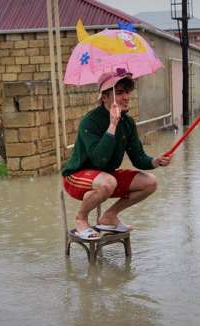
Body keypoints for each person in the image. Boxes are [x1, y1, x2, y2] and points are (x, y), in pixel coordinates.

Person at [62, 69, 171, 240]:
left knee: (150, 182)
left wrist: (155, 161)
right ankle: (81, 218)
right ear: (104, 97)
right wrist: (112, 125)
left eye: (127, 92)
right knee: (108, 182)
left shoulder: (127, 122)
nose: (126, 97)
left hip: (107, 178)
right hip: (76, 177)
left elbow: (138, 158)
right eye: (119, 93)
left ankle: (109, 216)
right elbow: (99, 159)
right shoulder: (89, 122)